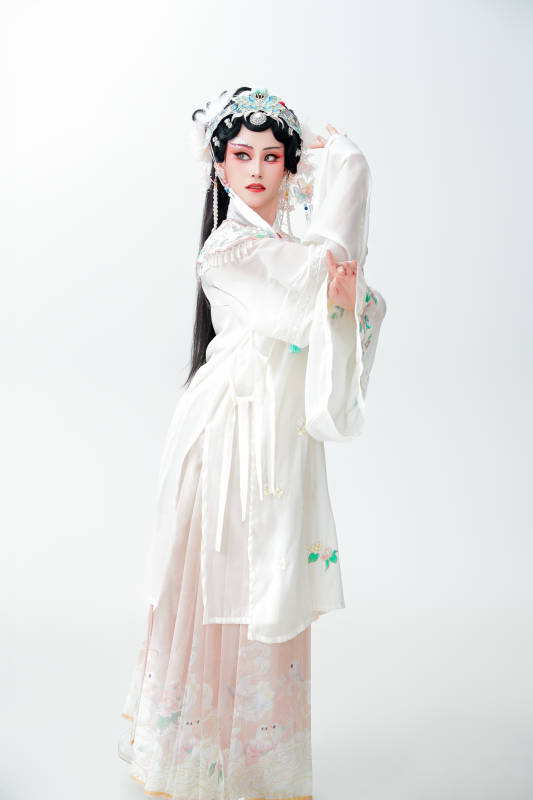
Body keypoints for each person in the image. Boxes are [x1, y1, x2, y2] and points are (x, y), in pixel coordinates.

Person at [118, 85, 387, 800]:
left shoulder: (287, 247)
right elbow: (311, 288)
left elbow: (341, 296)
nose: (258, 169)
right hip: (228, 437)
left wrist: (344, 300)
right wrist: (349, 171)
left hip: (276, 437)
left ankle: (259, 762)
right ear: (219, 166)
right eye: (242, 155)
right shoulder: (229, 248)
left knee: (268, 583)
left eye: (273, 157)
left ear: (291, 169)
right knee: (219, 584)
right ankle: (192, 755)